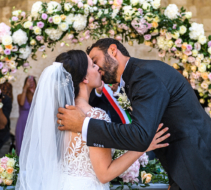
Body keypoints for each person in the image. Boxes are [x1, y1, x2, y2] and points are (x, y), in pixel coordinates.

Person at [57, 38, 211, 190]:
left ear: (113, 50)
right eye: (92, 65)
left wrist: (85, 125)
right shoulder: (140, 74)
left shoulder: (144, 76)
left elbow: (141, 135)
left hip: (197, 168)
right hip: (189, 168)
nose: (97, 68)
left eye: (96, 60)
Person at [16, 50, 170, 190]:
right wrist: (142, 147)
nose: (98, 68)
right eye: (92, 65)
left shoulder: (57, 114)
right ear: (84, 78)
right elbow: (104, 174)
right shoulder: (95, 116)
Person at [15, 76, 36, 156]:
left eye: (32, 82)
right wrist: (25, 88)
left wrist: (34, 92)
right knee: (21, 146)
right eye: (29, 82)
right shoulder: (20, 96)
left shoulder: (38, 96)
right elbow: (22, 103)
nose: (31, 84)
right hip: (22, 124)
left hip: (33, 124)